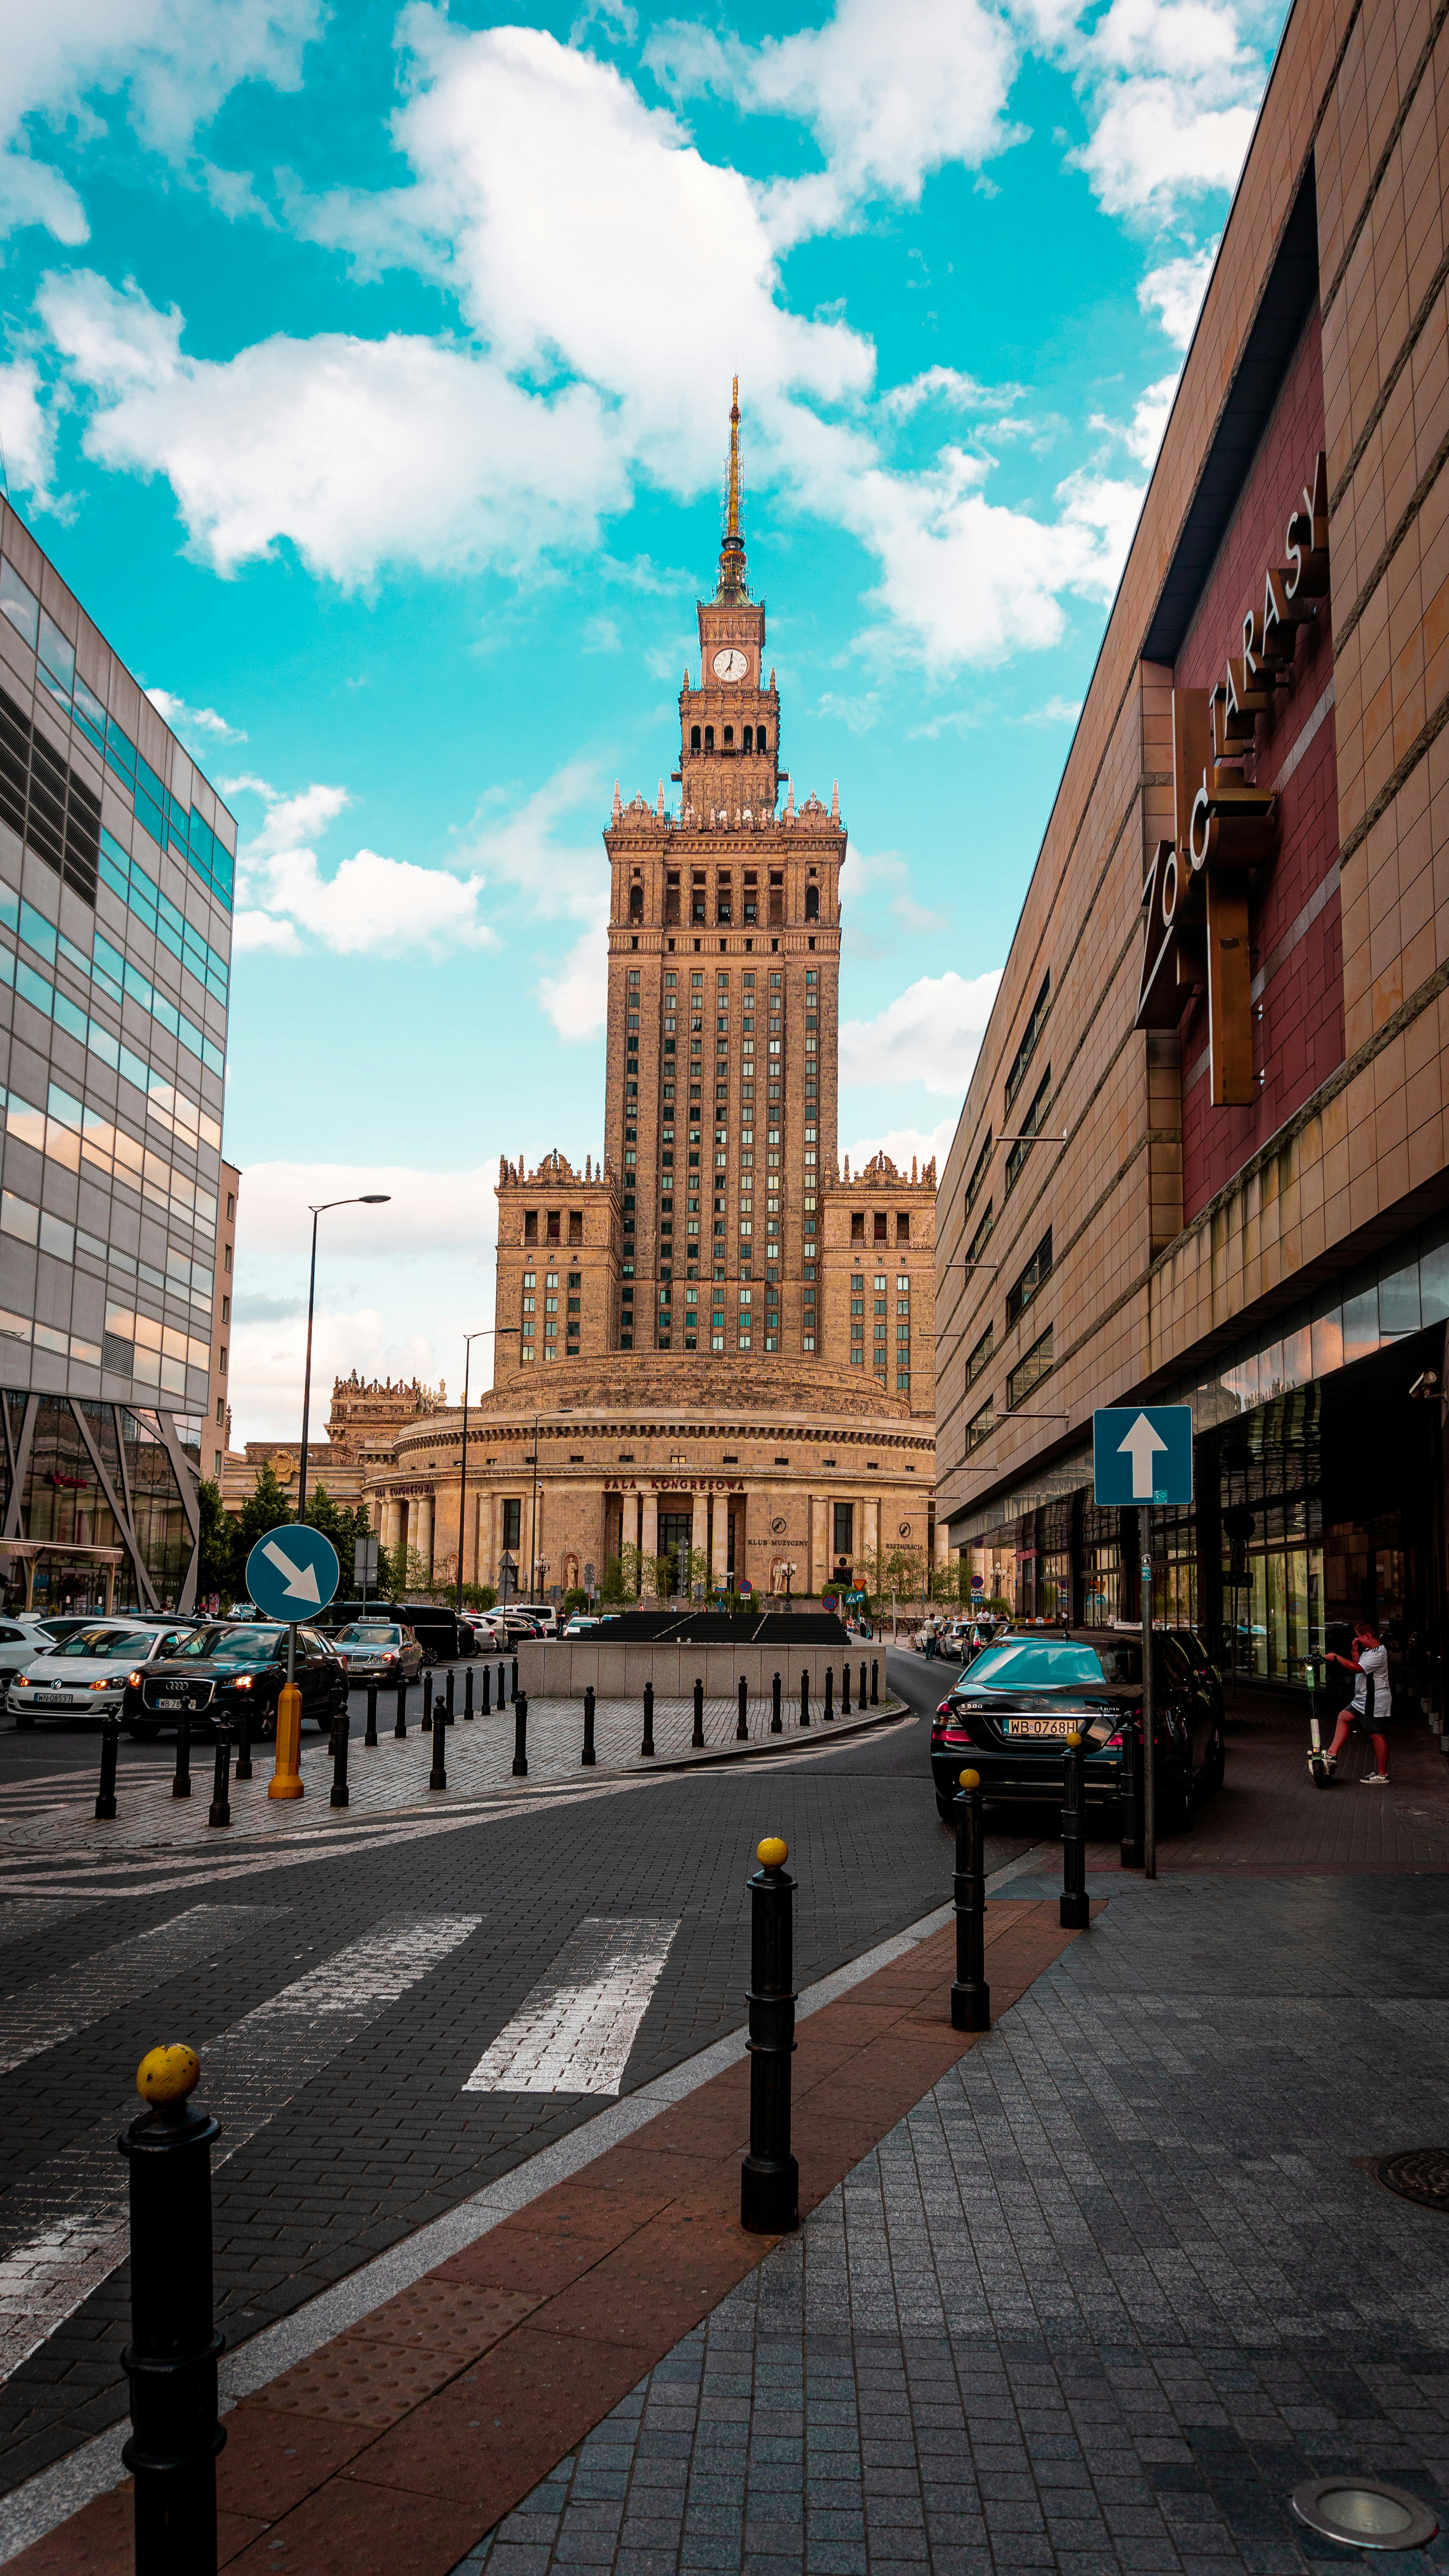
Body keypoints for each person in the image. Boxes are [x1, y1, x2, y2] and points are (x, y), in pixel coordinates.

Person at [1325, 1619, 1391, 1783]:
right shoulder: (1369, 1650)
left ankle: (1383, 1774)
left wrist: (1337, 1657)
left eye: (1359, 1637)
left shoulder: (1378, 1653)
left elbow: (1357, 1669)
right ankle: (1332, 1754)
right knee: (1344, 1716)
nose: (1357, 1640)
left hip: (1373, 1701)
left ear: (1368, 1636)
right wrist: (1355, 1652)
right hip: (1363, 1700)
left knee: (1377, 1735)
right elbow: (1359, 1666)